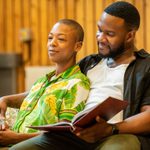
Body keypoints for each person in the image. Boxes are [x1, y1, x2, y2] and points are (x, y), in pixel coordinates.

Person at [9, 1, 150, 150]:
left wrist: (110, 128)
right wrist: (7, 100)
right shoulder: (90, 63)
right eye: (99, 30)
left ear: (129, 36)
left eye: (109, 34)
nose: (101, 38)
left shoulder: (145, 66)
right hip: (76, 135)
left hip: (116, 134)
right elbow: (52, 90)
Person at [0, 19, 90, 148]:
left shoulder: (77, 83)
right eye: (50, 38)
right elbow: (29, 97)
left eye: (61, 39)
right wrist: (5, 101)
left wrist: (15, 138)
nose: (52, 43)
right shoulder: (43, 80)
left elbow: (64, 134)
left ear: (78, 46)